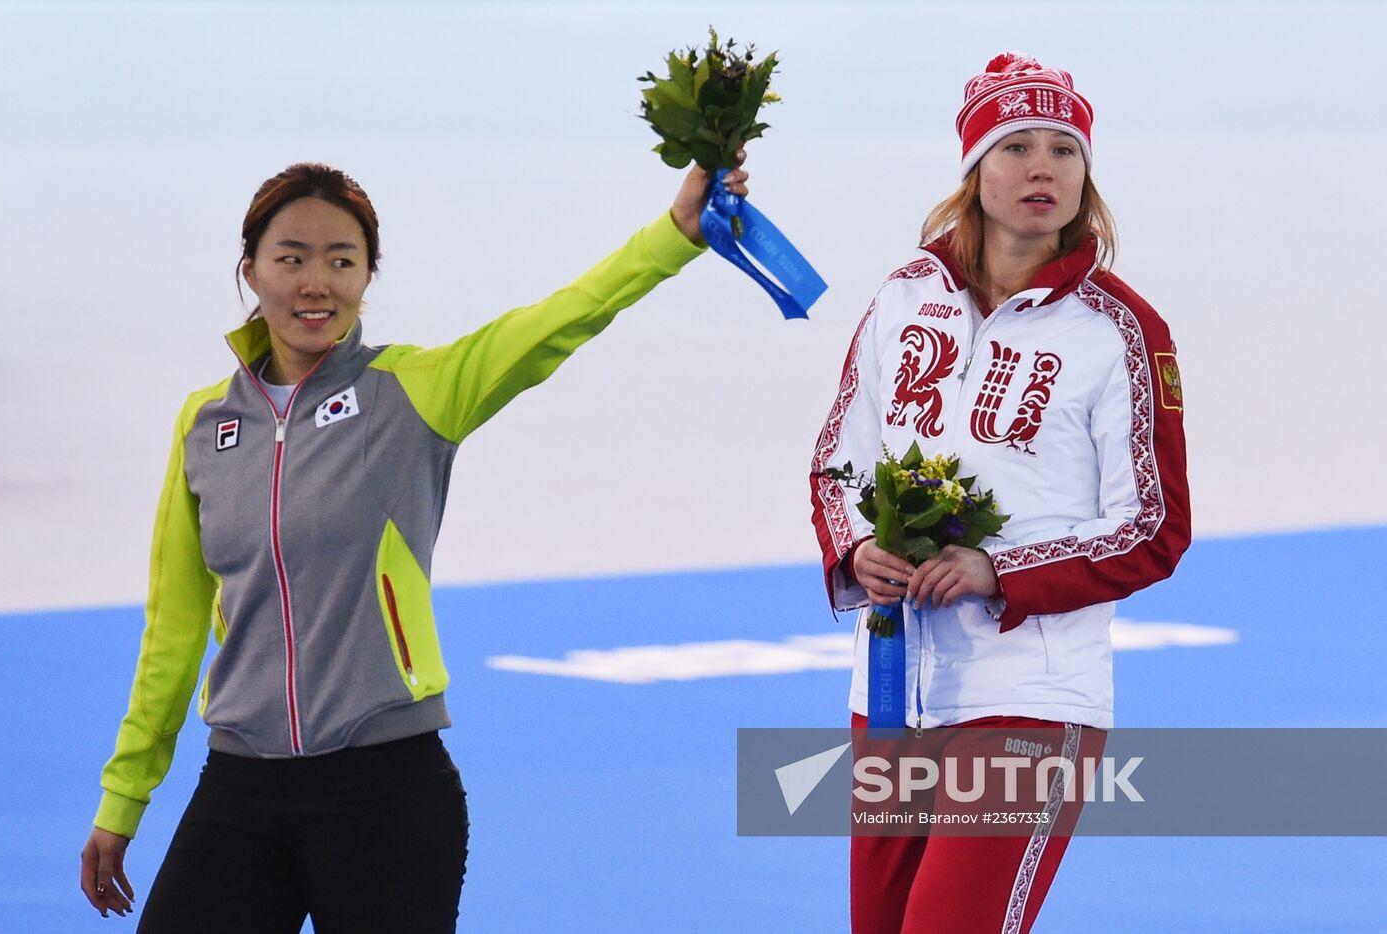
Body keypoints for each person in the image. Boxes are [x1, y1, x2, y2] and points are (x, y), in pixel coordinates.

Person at [80, 155, 748, 932]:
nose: (315, 283)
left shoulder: (411, 393)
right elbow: (174, 630)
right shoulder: (205, 426)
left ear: (368, 276)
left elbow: (561, 319)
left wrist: (676, 234)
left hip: (385, 793)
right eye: (291, 258)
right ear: (250, 271)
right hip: (238, 787)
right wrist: (124, 797)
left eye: (342, 260)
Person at [809, 52, 1190, 933]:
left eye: (1064, 147)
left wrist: (996, 570)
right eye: (1015, 145)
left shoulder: (1120, 331)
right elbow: (838, 459)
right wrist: (856, 549)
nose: (1042, 166)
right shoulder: (905, 298)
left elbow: (1156, 526)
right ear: (974, 170)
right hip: (894, 688)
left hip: (1031, 693)